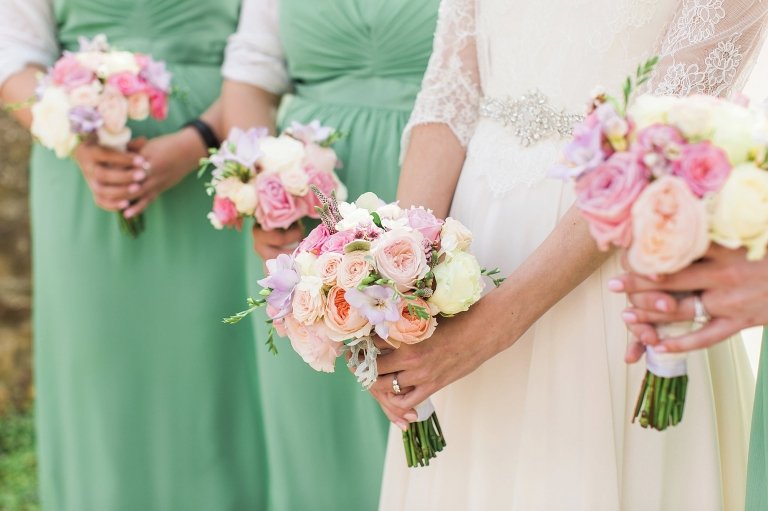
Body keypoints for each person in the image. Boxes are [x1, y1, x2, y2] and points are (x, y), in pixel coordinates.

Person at [369, 0, 768, 509]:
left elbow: (661, 146)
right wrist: (396, 286)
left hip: (608, 262)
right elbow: (447, 102)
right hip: (463, 260)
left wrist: (491, 329)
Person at [0, 1, 266, 509]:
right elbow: (13, 49)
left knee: (213, 371)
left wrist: (199, 141)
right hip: (79, 168)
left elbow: (268, 50)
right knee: (98, 374)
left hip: (221, 163)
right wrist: (74, 138)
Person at [218, 0, 439, 509]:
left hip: (437, 188)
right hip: (309, 209)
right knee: (317, 421)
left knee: (424, 388)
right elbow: (251, 72)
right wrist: (262, 191)